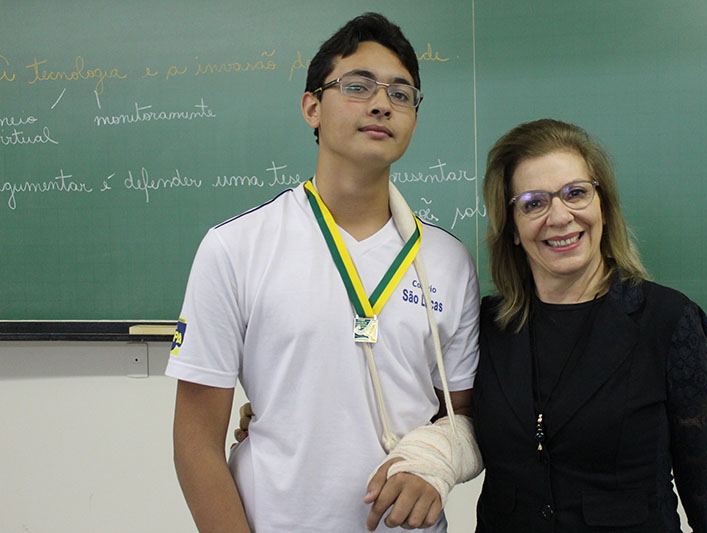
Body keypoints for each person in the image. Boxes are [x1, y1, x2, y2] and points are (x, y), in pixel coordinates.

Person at [166, 13, 482, 533]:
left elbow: (462, 416)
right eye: (357, 86)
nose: (381, 103)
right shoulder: (236, 248)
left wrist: (436, 461)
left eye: (401, 94)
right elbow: (195, 443)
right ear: (312, 107)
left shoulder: (450, 261)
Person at [473, 119, 707, 531]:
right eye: (533, 203)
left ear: (603, 205)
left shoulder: (666, 320)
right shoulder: (487, 325)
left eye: (576, 193)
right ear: (512, 227)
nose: (560, 217)